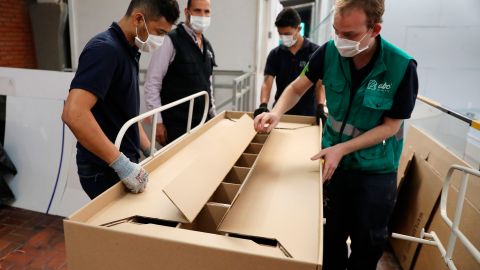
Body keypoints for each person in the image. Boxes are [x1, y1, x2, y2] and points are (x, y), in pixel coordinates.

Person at [254, 0, 418, 269]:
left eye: (350, 35)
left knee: (367, 244)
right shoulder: (328, 52)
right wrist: (276, 112)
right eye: (336, 31)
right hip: (333, 166)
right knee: (330, 238)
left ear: (374, 29)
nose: (340, 40)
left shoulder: (400, 67)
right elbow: (297, 88)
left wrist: (342, 149)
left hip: (373, 171)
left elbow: (391, 127)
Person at [62, 0, 180, 199]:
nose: (160, 40)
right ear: (138, 19)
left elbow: (125, 113)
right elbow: (74, 113)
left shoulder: (129, 50)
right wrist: (122, 165)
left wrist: (149, 149)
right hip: (104, 168)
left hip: (121, 161)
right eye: (159, 32)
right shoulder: (105, 50)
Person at [144, 0, 217, 146]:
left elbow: (207, 83)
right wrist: (157, 122)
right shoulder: (170, 40)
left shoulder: (207, 47)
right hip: (176, 126)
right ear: (187, 12)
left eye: (206, 11)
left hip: (202, 122)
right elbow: (152, 83)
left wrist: (213, 115)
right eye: (197, 10)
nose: (202, 15)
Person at [254, 8, 327, 125]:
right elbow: (267, 82)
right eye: (280, 34)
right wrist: (263, 104)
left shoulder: (315, 52)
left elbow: (319, 83)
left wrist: (320, 106)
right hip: (280, 112)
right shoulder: (275, 54)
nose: (284, 37)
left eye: (287, 34)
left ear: (299, 28)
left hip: (308, 114)